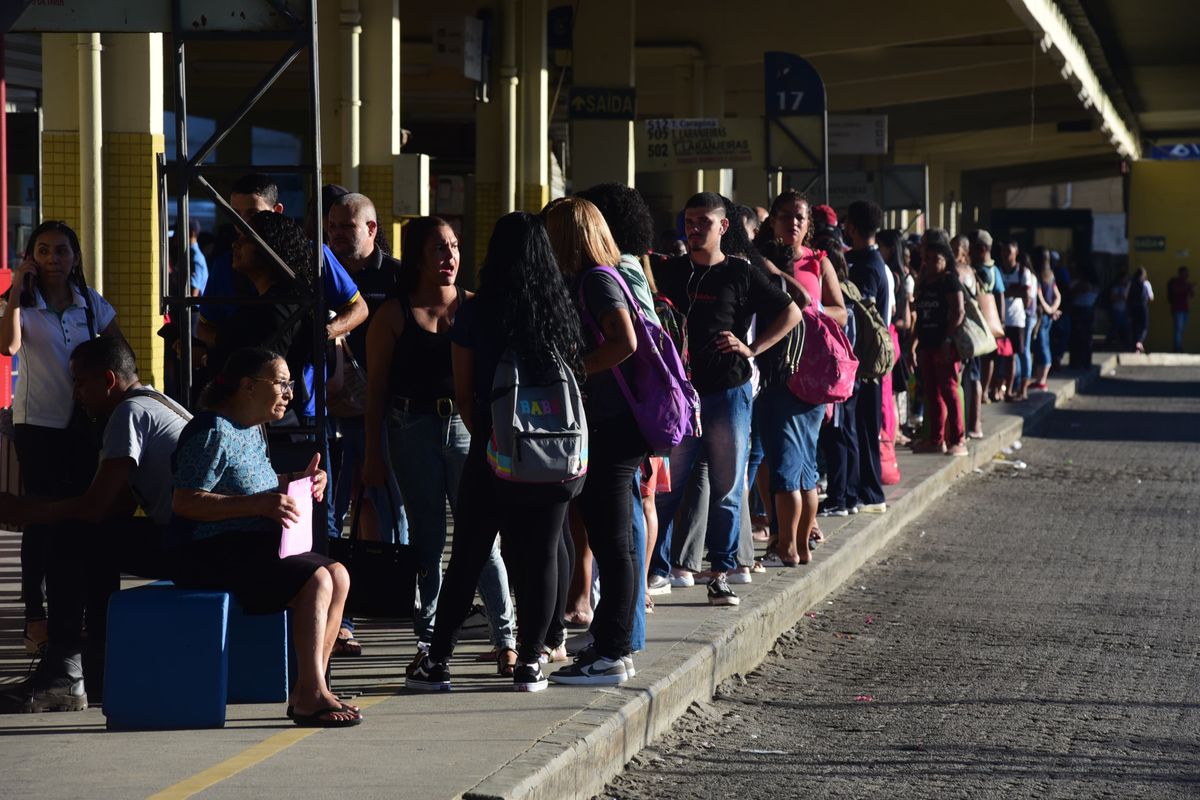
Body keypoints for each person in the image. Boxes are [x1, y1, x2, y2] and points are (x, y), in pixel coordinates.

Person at [405, 212, 586, 693]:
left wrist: (492, 437)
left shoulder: (478, 312)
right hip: (555, 458)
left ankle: (438, 662)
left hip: (494, 454)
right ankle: (531, 662)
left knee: (468, 554)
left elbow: (465, 393)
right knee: (543, 554)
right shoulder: (560, 308)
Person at [362, 216, 518, 675]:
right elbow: (375, 392)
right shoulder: (392, 314)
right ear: (417, 257)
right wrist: (372, 455)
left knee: (482, 538)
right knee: (427, 540)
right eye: (438, 249)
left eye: (454, 246)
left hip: (469, 427)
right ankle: (429, 641)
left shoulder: (476, 307)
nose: (450, 257)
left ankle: (507, 639)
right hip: (410, 428)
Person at [171, 347, 359, 727]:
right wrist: (257, 505)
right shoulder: (211, 431)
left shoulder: (254, 428)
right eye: (281, 383)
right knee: (317, 578)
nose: (290, 393)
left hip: (251, 545)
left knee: (339, 573)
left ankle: (311, 687)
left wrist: (301, 483)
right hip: (208, 551)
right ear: (247, 386)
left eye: (290, 384)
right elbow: (185, 502)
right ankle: (310, 692)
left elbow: (262, 484)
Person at [0, 337, 188, 713]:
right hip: (196, 537)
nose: (76, 394)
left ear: (108, 380)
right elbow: (115, 505)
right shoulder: (158, 402)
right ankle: (96, 668)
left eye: (80, 383)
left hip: (190, 546)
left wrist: (25, 510)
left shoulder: (128, 414)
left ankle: (66, 673)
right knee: (96, 536)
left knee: (71, 535)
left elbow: (95, 506)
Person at [646, 192, 800, 607]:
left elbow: (792, 312)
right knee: (668, 487)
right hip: (680, 396)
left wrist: (753, 349)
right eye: (689, 222)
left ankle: (721, 572)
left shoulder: (741, 272)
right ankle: (657, 570)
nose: (694, 230)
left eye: (704, 223)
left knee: (728, 487)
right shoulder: (668, 272)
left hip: (728, 394)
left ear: (723, 227)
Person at [0, 220, 124, 661]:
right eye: (44, 250)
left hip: (83, 424)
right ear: (31, 256)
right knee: (40, 517)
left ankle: (79, 614)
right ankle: (36, 617)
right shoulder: (22, 304)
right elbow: (8, 347)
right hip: (38, 424)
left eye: (62, 251)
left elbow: (120, 354)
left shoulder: (90, 303)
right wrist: (17, 289)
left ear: (75, 257)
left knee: (80, 516)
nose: (54, 259)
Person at [544, 197, 646, 685]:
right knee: (614, 541)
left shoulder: (597, 280)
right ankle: (613, 647)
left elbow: (625, 342)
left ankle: (612, 651)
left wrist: (572, 371)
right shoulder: (598, 278)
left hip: (612, 424)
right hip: (611, 423)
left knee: (613, 542)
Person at [841, 200, 890, 513]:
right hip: (867, 364)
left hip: (865, 365)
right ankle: (865, 490)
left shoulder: (867, 266)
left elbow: (861, 314)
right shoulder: (869, 261)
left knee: (862, 429)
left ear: (853, 227)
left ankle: (868, 493)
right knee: (861, 428)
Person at [911, 230, 967, 456]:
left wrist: (948, 339)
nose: (932, 263)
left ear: (946, 260)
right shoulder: (924, 281)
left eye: (937, 259)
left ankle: (958, 440)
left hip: (945, 345)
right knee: (931, 392)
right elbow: (919, 311)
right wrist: (914, 344)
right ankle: (935, 440)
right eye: (928, 258)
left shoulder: (949, 280)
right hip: (926, 343)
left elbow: (958, 311)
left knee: (949, 391)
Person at [998, 240, 1034, 401]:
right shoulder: (998, 270)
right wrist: (1013, 291)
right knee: (998, 356)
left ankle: (1016, 388)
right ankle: (999, 388)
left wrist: (1007, 292)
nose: (1006, 256)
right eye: (1004, 252)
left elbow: (1026, 297)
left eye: (1009, 252)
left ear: (1016, 253)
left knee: (1016, 354)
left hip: (1016, 319)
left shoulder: (1023, 272)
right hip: (999, 320)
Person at [1030, 249, 1061, 389]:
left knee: (1042, 346)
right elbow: (1057, 295)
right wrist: (1053, 309)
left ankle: (1041, 380)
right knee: (1044, 345)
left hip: (1041, 316)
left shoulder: (1036, 276)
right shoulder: (1051, 275)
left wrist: (1048, 310)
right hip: (1048, 316)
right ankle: (1040, 379)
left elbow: (1039, 295)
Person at [1167, 266, 1194, 352]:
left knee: (1181, 329)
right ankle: (1177, 348)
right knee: (1178, 329)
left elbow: (1192, 295)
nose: (1187, 274)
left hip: (1185, 309)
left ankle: (1178, 346)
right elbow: (1176, 290)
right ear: (1180, 273)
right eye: (1185, 272)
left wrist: (1191, 288)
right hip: (1177, 309)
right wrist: (1187, 287)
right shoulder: (1175, 282)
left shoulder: (1186, 283)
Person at [1127, 266, 1154, 353]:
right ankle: (1139, 342)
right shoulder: (1146, 283)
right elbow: (1151, 297)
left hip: (1132, 307)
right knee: (1144, 326)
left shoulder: (1131, 283)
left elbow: (1125, 295)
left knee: (1134, 326)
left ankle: (1134, 345)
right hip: (1143, 307)